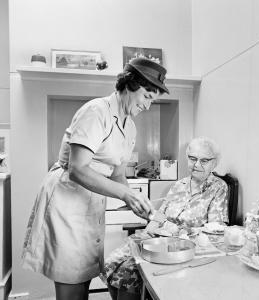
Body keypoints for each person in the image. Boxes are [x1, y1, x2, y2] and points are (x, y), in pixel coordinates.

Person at [21, 58, 169, 300]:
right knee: (72, 282)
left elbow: (118, 174)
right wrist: (124, 194)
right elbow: (77, 169)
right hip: (67, 200)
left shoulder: (130, 127)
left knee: (84, 277)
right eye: (147, 96)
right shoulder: (96, 111)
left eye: (153, 100)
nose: (148, 105)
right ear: (130, 85)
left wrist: (136, 203)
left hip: (89, 203)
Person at [101, 136, 228, 300]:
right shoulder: (179, 185)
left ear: (214, 163)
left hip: (183, 246)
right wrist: (147, 230)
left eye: (204, 160)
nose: (196, 164)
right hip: (157, 238)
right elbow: (161, 215)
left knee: (127, 271)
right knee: (110, 263)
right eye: (192, 159)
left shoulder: (218, 188)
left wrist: (176, 229)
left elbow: (215, 231)